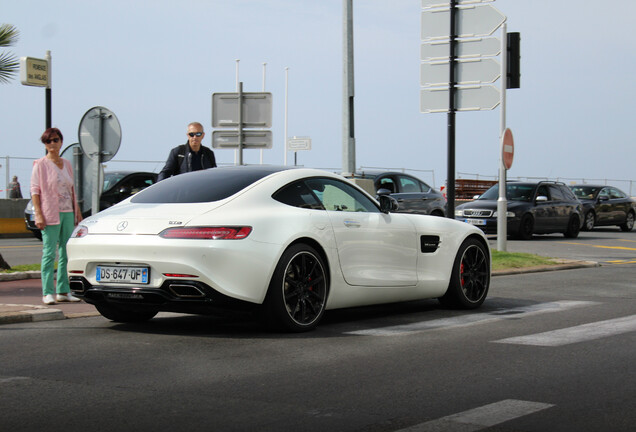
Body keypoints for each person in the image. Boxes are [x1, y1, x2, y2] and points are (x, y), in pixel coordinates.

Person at [30, 127, 83, 305]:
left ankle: (63, 290)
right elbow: (35, 191)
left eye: (55, 140)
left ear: (61, 142)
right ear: (45, 144)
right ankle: (47, 292)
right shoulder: (40, 165)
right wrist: (38, 214)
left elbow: (71, 189)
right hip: (49, 213)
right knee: (49, 253)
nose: (52, 144)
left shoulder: (67, 164)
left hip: (68, 212)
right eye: (48, 141)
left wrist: (77, 213)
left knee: (66, 253)